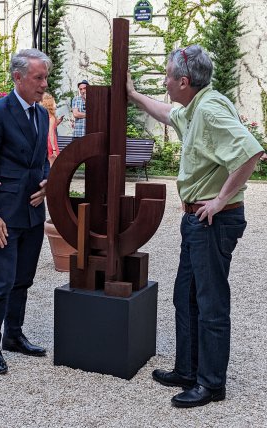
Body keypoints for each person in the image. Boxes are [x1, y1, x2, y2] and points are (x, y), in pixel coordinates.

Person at [127, 45, 264, 408]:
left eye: (168, 77)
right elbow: (166, 113)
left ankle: (211, 384)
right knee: (185, 297)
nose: (165, 82)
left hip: (212, 220)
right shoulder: (195, 107)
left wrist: (219, 200)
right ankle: (188, 370)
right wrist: (133, 94)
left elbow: (251, 151)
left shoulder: (211, 108)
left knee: (210, 303)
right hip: (196, 220)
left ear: (183, 81)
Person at [0, 48, 52, 375]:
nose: (44, 84)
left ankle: (14, 336)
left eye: (45, 77)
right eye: (38, 78)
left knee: (23, 280)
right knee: (1, 283)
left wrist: (49, 181)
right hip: (3, 216)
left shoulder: (42, 113)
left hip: (34, 213)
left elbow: (42, 160)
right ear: (17, 77)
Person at [40, 92, 64, 166]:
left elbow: (48, 128)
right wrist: (54, 149)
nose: (55, 104)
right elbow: (50, 133)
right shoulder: (52, 117)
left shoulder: (43, 115)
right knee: (52, 167)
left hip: (43, 142)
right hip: (50, 143)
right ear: (50, 104)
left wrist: (58, 122)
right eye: (54, 102)